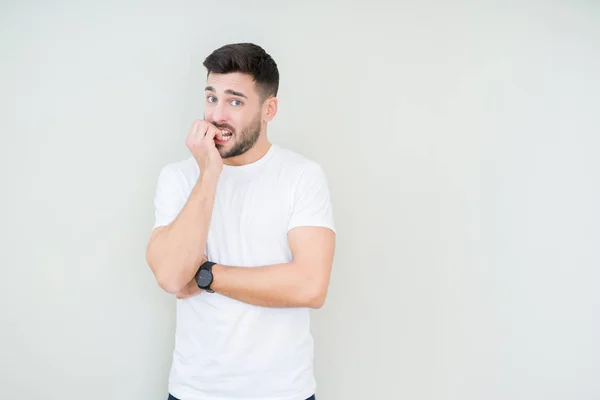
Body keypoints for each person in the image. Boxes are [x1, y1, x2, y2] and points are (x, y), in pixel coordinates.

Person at [145, 42, 336, 400]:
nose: (217, 115)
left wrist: (205, 275)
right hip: (194, 392)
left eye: (235, 101)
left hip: (285, 393)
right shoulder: (178, 178)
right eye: (211, 97)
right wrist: (209, 174)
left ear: (269, 109)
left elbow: (310, 286)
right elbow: (171, 276)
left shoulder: (302, 176)